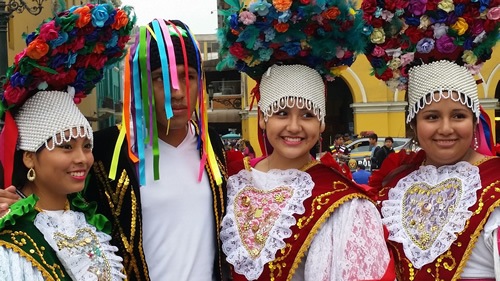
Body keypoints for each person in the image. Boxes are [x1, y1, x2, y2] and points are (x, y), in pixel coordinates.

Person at [0, 18, 228, 281]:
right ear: (141, 85)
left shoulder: (211, 145)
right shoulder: (105, 149)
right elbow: (52, 198)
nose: (176, 92)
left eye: (186, 77)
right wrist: (14, 201)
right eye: (160, 78)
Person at [217, 1, 394, 280]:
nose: (294, 126)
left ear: (321, 123)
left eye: (308, 114)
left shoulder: (344, 203)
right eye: (282, 113)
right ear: (262, 118)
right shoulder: (235, 182)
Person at [363, 0, 500, 279]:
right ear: (413, 124)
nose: (446, 129)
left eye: (459, 116)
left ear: (475, 120)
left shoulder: (495, 185)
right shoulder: (395, 186)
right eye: (432, 117)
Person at [0, 3, 135, 280]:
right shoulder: (10, 236)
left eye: (86, 145)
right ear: (29, 156)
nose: (82, 158)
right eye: (65, 145)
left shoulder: (89, 222)